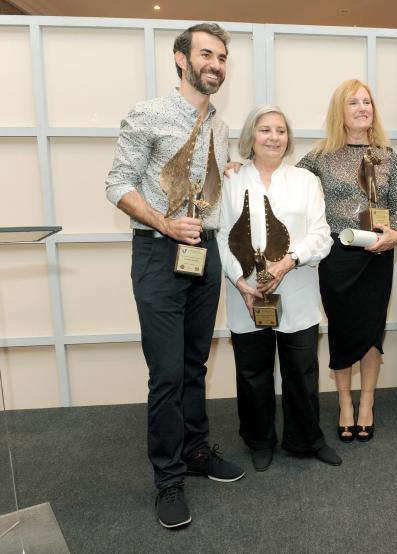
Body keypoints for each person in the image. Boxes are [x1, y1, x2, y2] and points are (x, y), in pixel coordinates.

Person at [105, 23, 244, 529]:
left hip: (203, 253)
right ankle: (168, 479)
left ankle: (196, 453)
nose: (216, 64)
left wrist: (229, 169)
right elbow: (116, 183)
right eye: (207, 54)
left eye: (223, 57)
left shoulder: (220, 125)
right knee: (165, 373)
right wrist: (164, 221)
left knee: (193, 365)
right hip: (160, 253)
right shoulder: (148, 114)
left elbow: (209, 180)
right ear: (181, 59)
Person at [217, 105, 339, 471]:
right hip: (247, 294)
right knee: (252, 372)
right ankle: (259, 440)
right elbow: (221, 235)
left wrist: (288, 262)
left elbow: (322, 235)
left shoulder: (306, 181)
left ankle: (306, 439)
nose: (274, 137)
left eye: (281, 131)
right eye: (265, 130)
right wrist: (240, 281)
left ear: (288, 139)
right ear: (251, 137)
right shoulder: (231, 181)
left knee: (301, 371)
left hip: (297, 289)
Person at [297, 79, 397, 443]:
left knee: (373, 331)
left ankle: (367, 403)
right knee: (342, 331)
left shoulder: (386, 155)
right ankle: (344, 402)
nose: (362, 108)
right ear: (340, 112)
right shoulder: (320, 156)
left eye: (367, 102)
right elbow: (284, 183)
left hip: (377, 255)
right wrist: (241, 169)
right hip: (338, 258)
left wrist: (395, 234)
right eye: (354, 102)